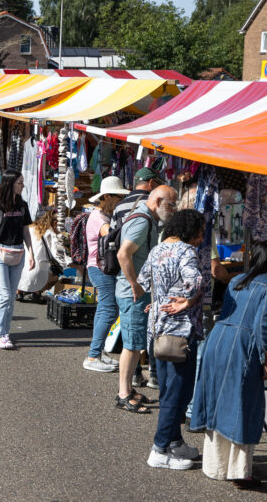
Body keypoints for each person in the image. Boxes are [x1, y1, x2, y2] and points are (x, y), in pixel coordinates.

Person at [190, 241, 267, 486]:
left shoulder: (237, 279)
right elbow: (262, 326)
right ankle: (240, 472)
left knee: (218, 400)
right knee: (243, 404)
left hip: (218, 339)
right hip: (241, 345)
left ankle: (216, 467)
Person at [137, 209, 206, 470]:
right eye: (200, 231)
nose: (201, 237)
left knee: (168, 389)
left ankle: (175, 442)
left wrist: (159, 301)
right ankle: (160, 448)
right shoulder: (187, 251)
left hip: (158, 328)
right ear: (191, 230)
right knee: (178, 392)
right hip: (180, 330)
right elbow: (195, 282)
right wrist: (188, 300)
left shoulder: (156, 250)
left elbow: (144, 280)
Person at [115, 185, 179, 413]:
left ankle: (128, 390)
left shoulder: (146, 217)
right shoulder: (143, 220)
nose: (173, 209)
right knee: (132, 346)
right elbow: (123, 253)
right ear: (158, 200)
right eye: (171, 204)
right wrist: (134, 283)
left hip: (135, 291)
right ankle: (123, 393)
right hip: (131, 292)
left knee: (135, 344)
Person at [0, 169, 35, 350]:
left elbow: (26, 231)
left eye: (22, 183)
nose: (22, 186)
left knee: (11, 297)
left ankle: (5, 332)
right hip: (0, 252)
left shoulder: (23, 205)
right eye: (19, 183)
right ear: (9, 184)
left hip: (18, 252)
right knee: (4, 296)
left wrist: (31, 254)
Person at [82, 176, 129, 372]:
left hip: (101, 268)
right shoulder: (98, 218)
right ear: (107, 196)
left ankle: (98, 352)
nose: (121, 200)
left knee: (106, 309)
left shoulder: (105, 215)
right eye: (119, 197)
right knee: (108, 309)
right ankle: (93, 356)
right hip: (100, 268)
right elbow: (111, 236)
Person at [17, 208, 71, 302]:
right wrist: (69, 261)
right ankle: (37, 292)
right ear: (54, 223)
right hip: (39, 270)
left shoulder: (29, 228)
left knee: (27, 269)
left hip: (22, 269)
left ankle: (19, 292)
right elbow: (55, 254)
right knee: (57, 272)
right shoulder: (49, 233)